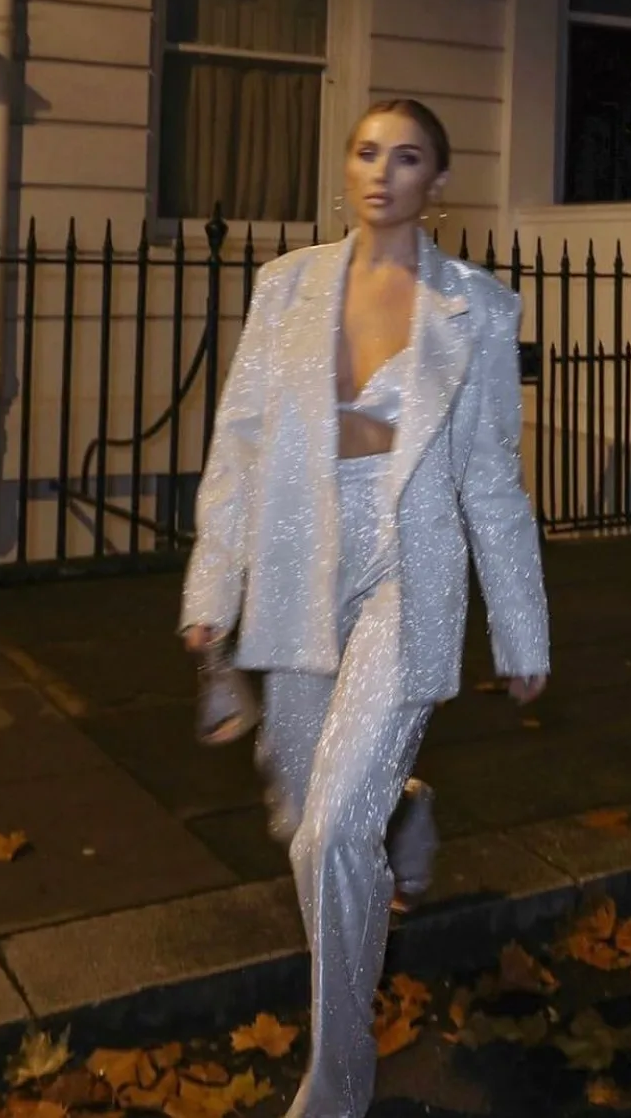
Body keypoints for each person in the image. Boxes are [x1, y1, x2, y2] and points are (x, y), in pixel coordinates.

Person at [181, 98, 550, 1118]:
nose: (383, 171)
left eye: (409, 156)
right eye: (368, 151)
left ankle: (338, 1082)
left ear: (440, 181)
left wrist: (520, 627)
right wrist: (214, 584)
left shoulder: (478, 309)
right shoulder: (285, 287)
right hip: (297, 560)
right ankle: (405, 804)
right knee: (305, 810)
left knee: (329, 836)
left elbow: (492, 479)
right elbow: (240, 443)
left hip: (408, 567)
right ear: (347, 165)